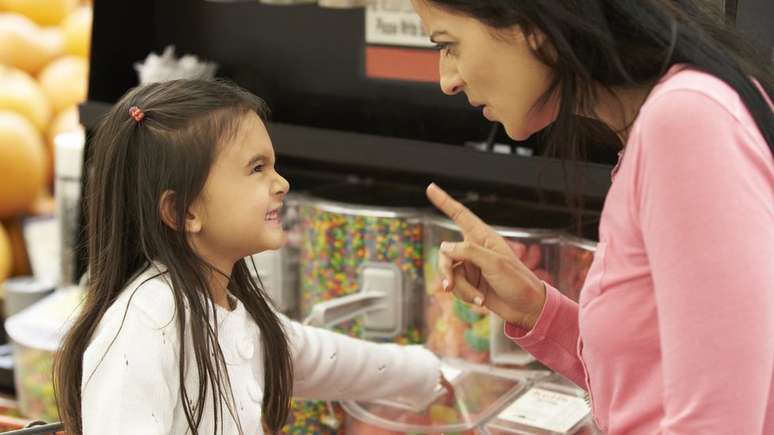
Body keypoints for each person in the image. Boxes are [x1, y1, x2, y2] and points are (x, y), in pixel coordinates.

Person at [411, 0, 774, 433]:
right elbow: (649, 390)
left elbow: (717, 423)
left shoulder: (684, 123)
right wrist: (538, 310)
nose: (447, 80)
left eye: (449, 45)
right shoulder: (671, 119)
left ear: (532, 23)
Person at [53, 79, 445, 435]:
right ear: (184, 212)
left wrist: (432, 374)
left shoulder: (236, 312)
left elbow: (328, 359)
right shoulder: (144, 323)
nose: (282, 184)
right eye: (257, 169)